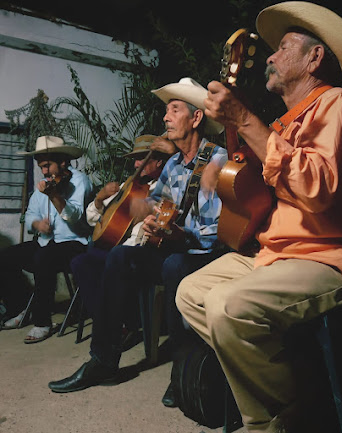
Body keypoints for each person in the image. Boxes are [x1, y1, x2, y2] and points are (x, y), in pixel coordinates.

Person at [176, 3, 342, 433]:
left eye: (283, 47)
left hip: (323, 257)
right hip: (274, 253)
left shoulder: (337, 105)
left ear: (314, 58)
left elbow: (317, 188)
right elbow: (263, 188)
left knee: (226, 306)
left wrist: (245, 119)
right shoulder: (282, 124)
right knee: (190, 291)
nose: (269, 56)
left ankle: (270, 423)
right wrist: (228, 164)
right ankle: (299, 399)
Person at [47, 78, 228, 408]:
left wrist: (175, 232)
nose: (165, 117)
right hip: (172, 246)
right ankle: (103, 360)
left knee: (175, 265)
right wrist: (146, 214)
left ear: (197, 118)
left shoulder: (216, 161)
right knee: (119, 256)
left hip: (203, 255)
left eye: (174, 110)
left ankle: (182, 371)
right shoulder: (172, 163)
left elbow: (214, 234)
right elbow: (156, 203)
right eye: (166, 110)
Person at [70, 134, 175, 323]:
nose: (136, 165)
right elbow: (94, 220)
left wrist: (149, 206)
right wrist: (99, 199)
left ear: (159, 161)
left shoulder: (169, 185)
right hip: (118, 250)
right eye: (135, 159)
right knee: (81, 262)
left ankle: (119, 323)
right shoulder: (131, 186)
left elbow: (171, 213)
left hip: (144, 251)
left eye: (141, 159)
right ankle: (109, 322)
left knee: (115, 257)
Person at [0, 136, 93, 343]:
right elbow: (31, 213)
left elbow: (74, 216)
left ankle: (43, 323)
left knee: (45, 257)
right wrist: (37, 224)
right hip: (46, 241)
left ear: (62, 162)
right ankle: (20, 308)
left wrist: (54, 196)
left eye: (47, 165)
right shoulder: (44, 185)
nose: (44, 171)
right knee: (6, 257)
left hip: (75, 243)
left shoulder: (80, 181)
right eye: (40, 166)